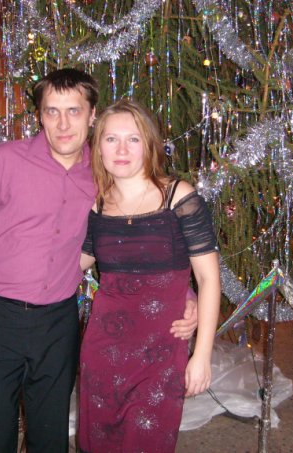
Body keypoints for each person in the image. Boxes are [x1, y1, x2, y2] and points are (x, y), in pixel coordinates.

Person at [0, 68, 198, 452]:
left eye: (73, 111)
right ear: (39, 115)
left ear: (92, 116)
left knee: (50, 432)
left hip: (58, 322)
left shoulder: (104, 175)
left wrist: (182, 293)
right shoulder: (3, 161)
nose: (62, 124)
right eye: (52, 111)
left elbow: (138, 238)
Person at [78, 99, 221, 453]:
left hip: (162, 350)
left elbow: (208, 279)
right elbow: (72, 264)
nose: (122, 150)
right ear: (98, 148)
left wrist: (202, 354)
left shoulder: (179, 197)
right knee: (101, 440)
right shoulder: (96, 205)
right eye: (111, 139)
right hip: (103, 348)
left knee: (149, 439)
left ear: (149, 144)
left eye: (133, 139)